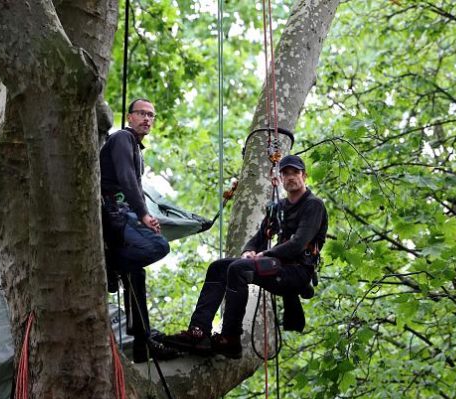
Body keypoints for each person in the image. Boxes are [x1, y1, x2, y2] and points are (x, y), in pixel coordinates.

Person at [163, 155, 328, 359]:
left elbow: (298, 244)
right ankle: (198, 331)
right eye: (286, 173)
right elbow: (260, 237)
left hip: (296, 272)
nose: (291, 177)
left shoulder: (314, 205)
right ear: (281, 178)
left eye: (295, 173)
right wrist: (248, 251)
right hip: (276, 265)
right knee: (218, 267)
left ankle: (230, 340)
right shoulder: (280, 208)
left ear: (304, 176)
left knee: (239, 269)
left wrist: (262, 255)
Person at [100, 98, 172, 362]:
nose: (147, 119)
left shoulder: (134, 147)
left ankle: (141, 340)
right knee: (158, 246)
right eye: (141, 113)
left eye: (151, 115)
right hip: (114, 215)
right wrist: (143, 214)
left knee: (136, 272)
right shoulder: (122, 138)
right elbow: (126, 178)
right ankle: (112, 263)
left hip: (120, 215)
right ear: (129, 117)